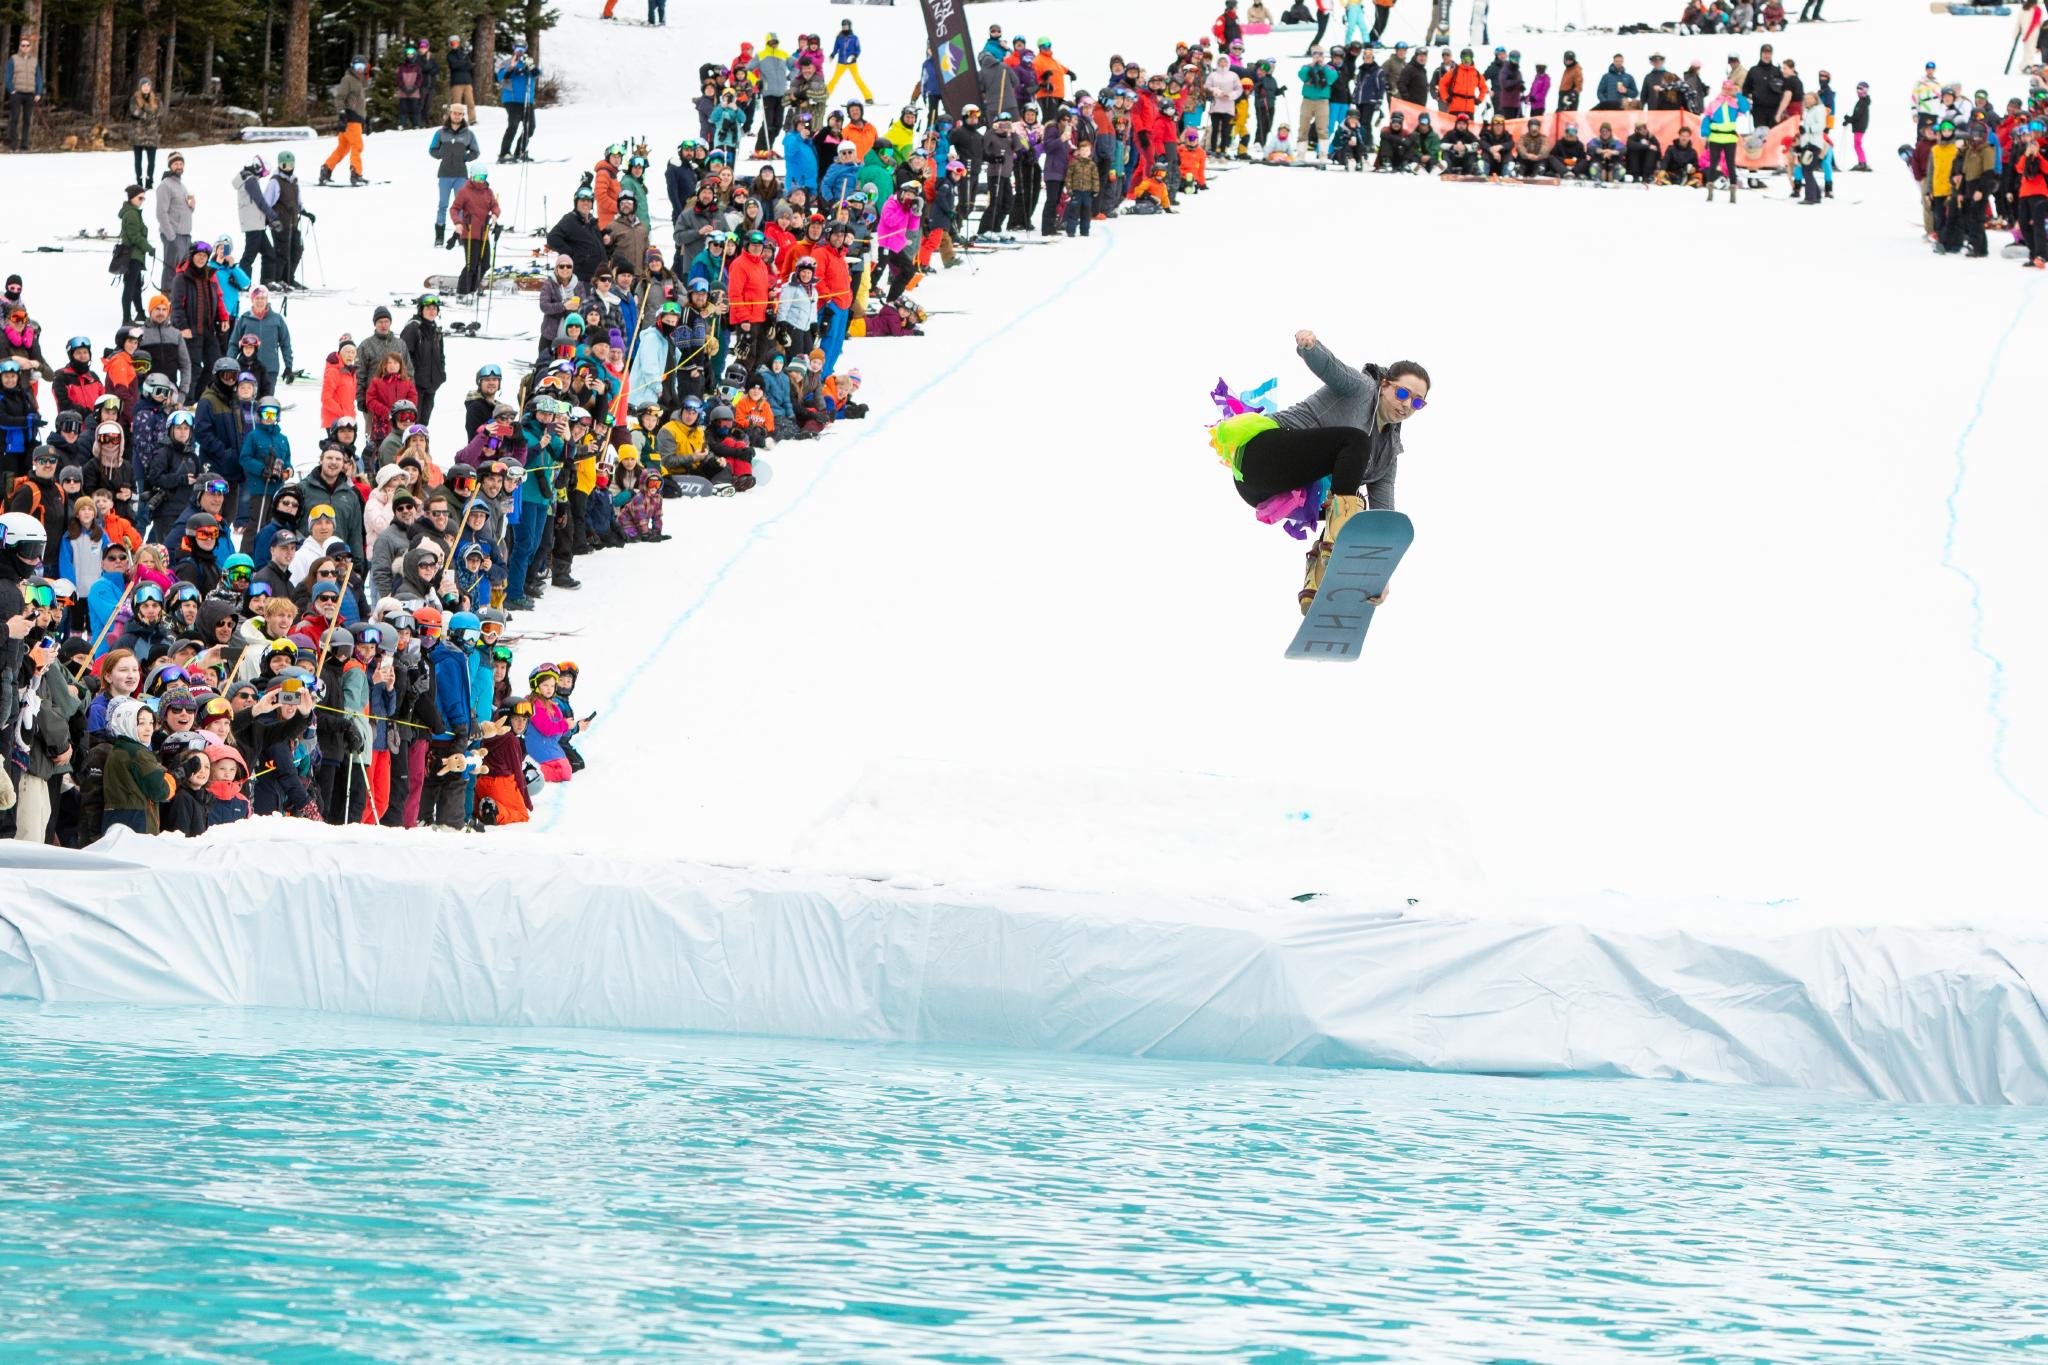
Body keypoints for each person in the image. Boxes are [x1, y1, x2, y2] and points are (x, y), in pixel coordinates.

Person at [1210, 331, 1426, 613]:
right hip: (1261, 455)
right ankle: (1337, 544)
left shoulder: (1387, 456)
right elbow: (1333, 370)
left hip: (1266, 492)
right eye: (1402, 393)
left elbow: (1383, 516)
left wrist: (1379, 573)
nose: (1406, 405)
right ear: (1384, 386)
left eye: (1417, 402)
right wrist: (1310, 348)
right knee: (1356, 443)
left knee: (1359, 511)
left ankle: (1317, 577)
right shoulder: (1362, 389)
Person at [428, 103, 480, 247]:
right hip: (444, 174)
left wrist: (465, 157)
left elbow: (476, 151)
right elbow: (432, 149)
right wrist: (440, 155)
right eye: (454, 113)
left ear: (463, 116)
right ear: (450, 114)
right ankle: (439, 237)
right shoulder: (440, 133)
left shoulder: (469, 134)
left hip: (460, 175)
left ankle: (462, 235)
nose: (457, 116)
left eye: (460, 114)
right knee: (443, 205)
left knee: (462, 206)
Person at [320, 58, 371, 187]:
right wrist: (342, 114)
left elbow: (359, 104)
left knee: (342, 149)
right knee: (357, 146)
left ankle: (326, 170)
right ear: (352, 66)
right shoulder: (348, 79)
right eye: (358, 66)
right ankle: (356, 174)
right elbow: (340, 98)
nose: (360, 69)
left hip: (356, 119)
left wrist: (366, 119)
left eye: (363, 66)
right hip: (350, 119)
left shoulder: (359, 82)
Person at [116, 185, 155, 326]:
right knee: (130, 287)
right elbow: (134, 236)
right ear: (132, 197)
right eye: (140, 198)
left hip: (136, 256)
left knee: (136, 286)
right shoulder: (131, 214)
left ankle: (140, 313)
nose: (142, 201)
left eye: (143, 198)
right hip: (132, 256)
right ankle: (126, 318)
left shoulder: (133, 212)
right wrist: (148, 248)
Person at [497, 43, 540, 162]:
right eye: (517, 48)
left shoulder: (528, 61)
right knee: (513, 126)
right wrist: (512, 67)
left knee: (530, 127)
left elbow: (537, 74)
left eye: (522, 49)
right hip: (512, 99)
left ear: (525, 49)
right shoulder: (507, 62)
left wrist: (530, 66)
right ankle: (504, 153)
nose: (519, 51)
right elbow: (500, 77)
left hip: (527, 100)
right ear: (513, 49)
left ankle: (520, 152)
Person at [3, 34, 39, 152]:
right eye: (23, 45)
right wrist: (12, 90)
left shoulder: (34, 60)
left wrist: (38, 93)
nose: (25, 47)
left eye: (27, 45)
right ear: (20, 46)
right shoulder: (13, 59)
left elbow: (38, 78)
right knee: (15, 118)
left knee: (27, 120)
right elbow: (7, 76)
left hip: (30, 94)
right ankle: (13, 144)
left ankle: (24, 145)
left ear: (30, 47)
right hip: (17, 94)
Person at [129, 78, 163, 188]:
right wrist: (148, 114)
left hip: (152, 135)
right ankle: (139, 182)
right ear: (140, 87)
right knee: (138, 161)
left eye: (148, 85)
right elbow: (135, 112)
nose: (146, 87)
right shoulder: (134, 98)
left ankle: (149, 182)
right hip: (138, 135)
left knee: (151, 161)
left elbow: (160, 112)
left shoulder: (156, 99)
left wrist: (148, 113)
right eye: (144, 85)